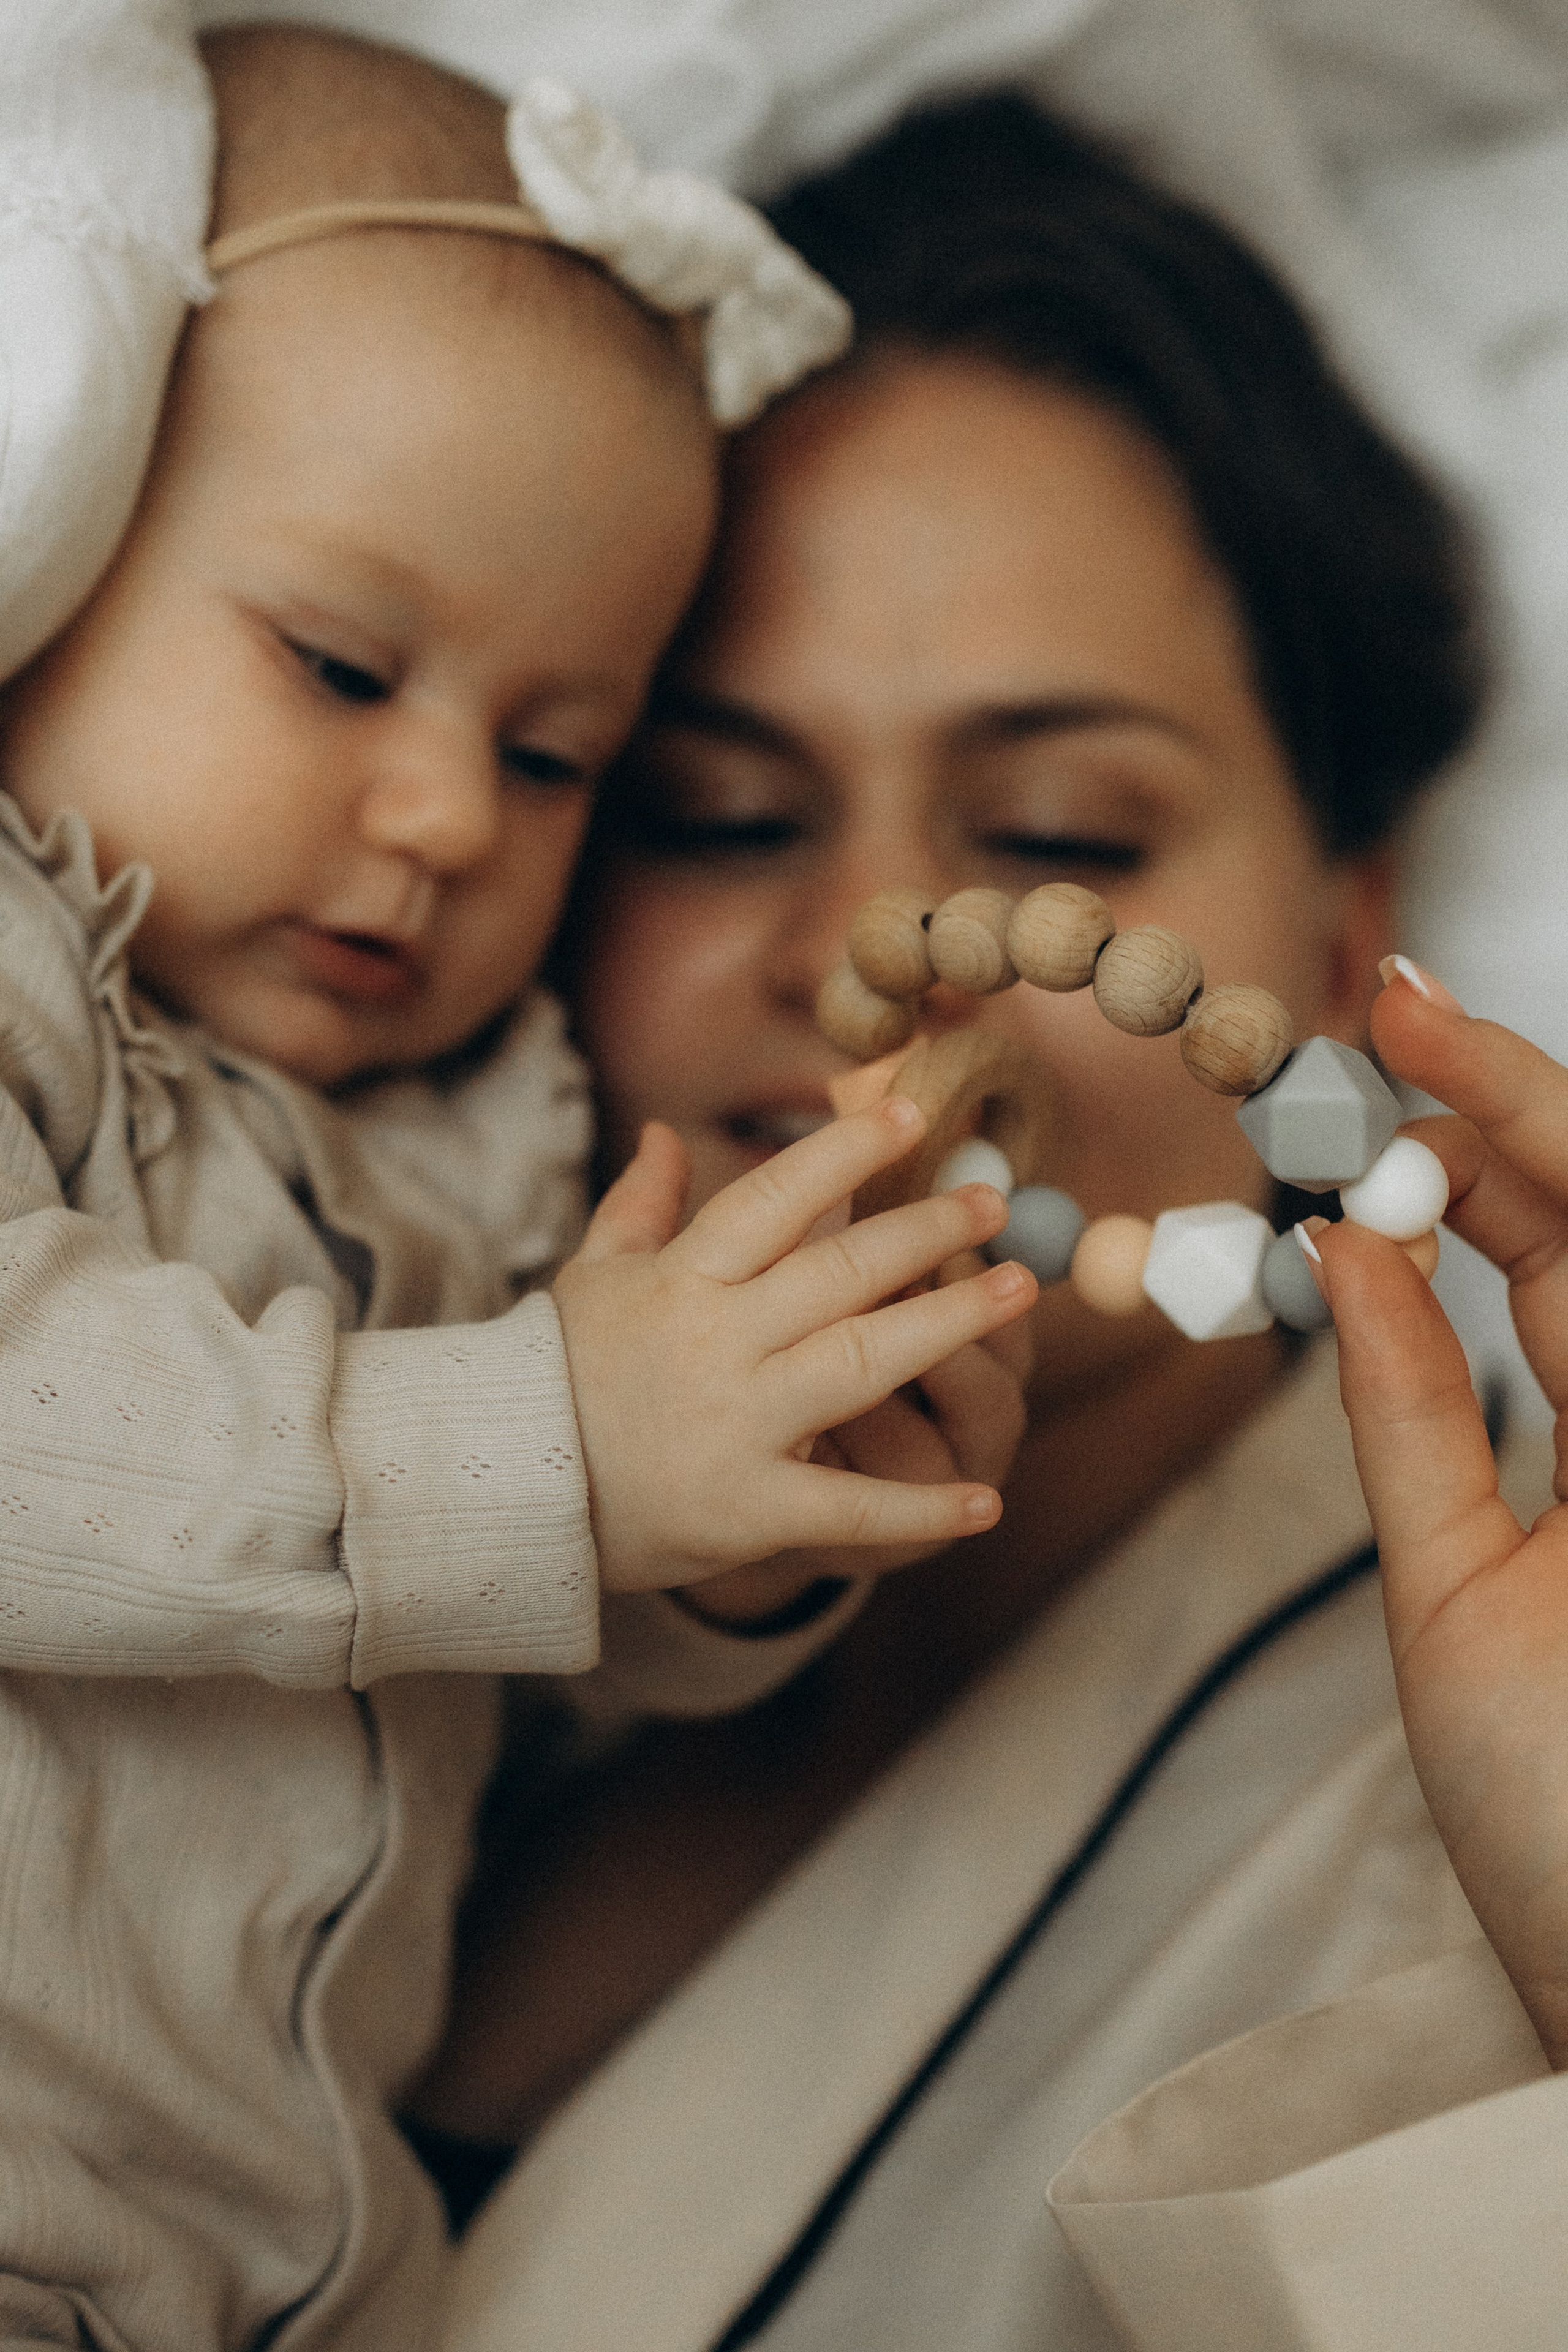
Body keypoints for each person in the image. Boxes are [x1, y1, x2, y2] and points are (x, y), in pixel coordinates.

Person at [419, 96, 1568, 2351]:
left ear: (1349, 956)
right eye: (718, 810)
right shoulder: (315, 1494)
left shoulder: (1477, 1838)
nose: (891, 952)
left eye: (1059, 830)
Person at [0, 30, 1044, 2352]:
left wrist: (722, 1541)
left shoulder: (490, 1144)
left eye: (558, 751)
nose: (456, 815)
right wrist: (551, 1449)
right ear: (53, 548)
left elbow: (454, 1673)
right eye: (340, 665)